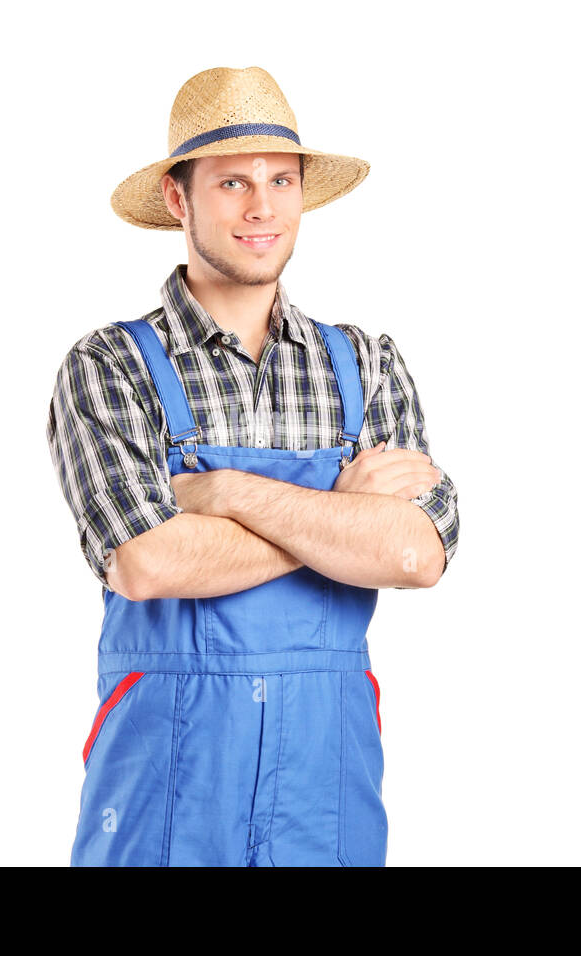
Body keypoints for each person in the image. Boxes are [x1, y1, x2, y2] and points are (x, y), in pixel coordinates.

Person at [47, 66, 460, 866]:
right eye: (232, 182)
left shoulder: (366, 363)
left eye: (280, 181)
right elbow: (144, 561)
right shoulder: (109, 365)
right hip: (167, 776)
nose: (261, 207)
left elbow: (419, 553)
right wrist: (339, 513)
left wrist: (229, 495)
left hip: (325, 782)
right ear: (178, 199)